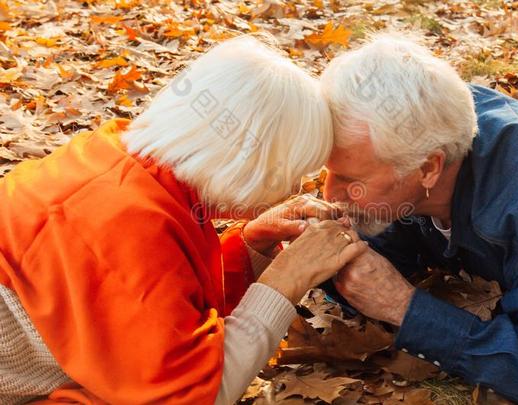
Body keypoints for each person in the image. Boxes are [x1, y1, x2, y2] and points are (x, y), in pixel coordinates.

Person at [0, 35, 367, 404]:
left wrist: (250, 248)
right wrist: (288, 278)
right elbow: (194, 394)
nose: (292, 186)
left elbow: (153, 309)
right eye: (290, 170)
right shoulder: (128, 226)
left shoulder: (123, 169)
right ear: (246, 159)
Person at [320, 34, 518, 404]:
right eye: (328, 171)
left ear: (428, 167)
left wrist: (404, 307)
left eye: (349, 180)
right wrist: (300, 253)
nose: (329, 194)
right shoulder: (423, 130)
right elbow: (383, 254)